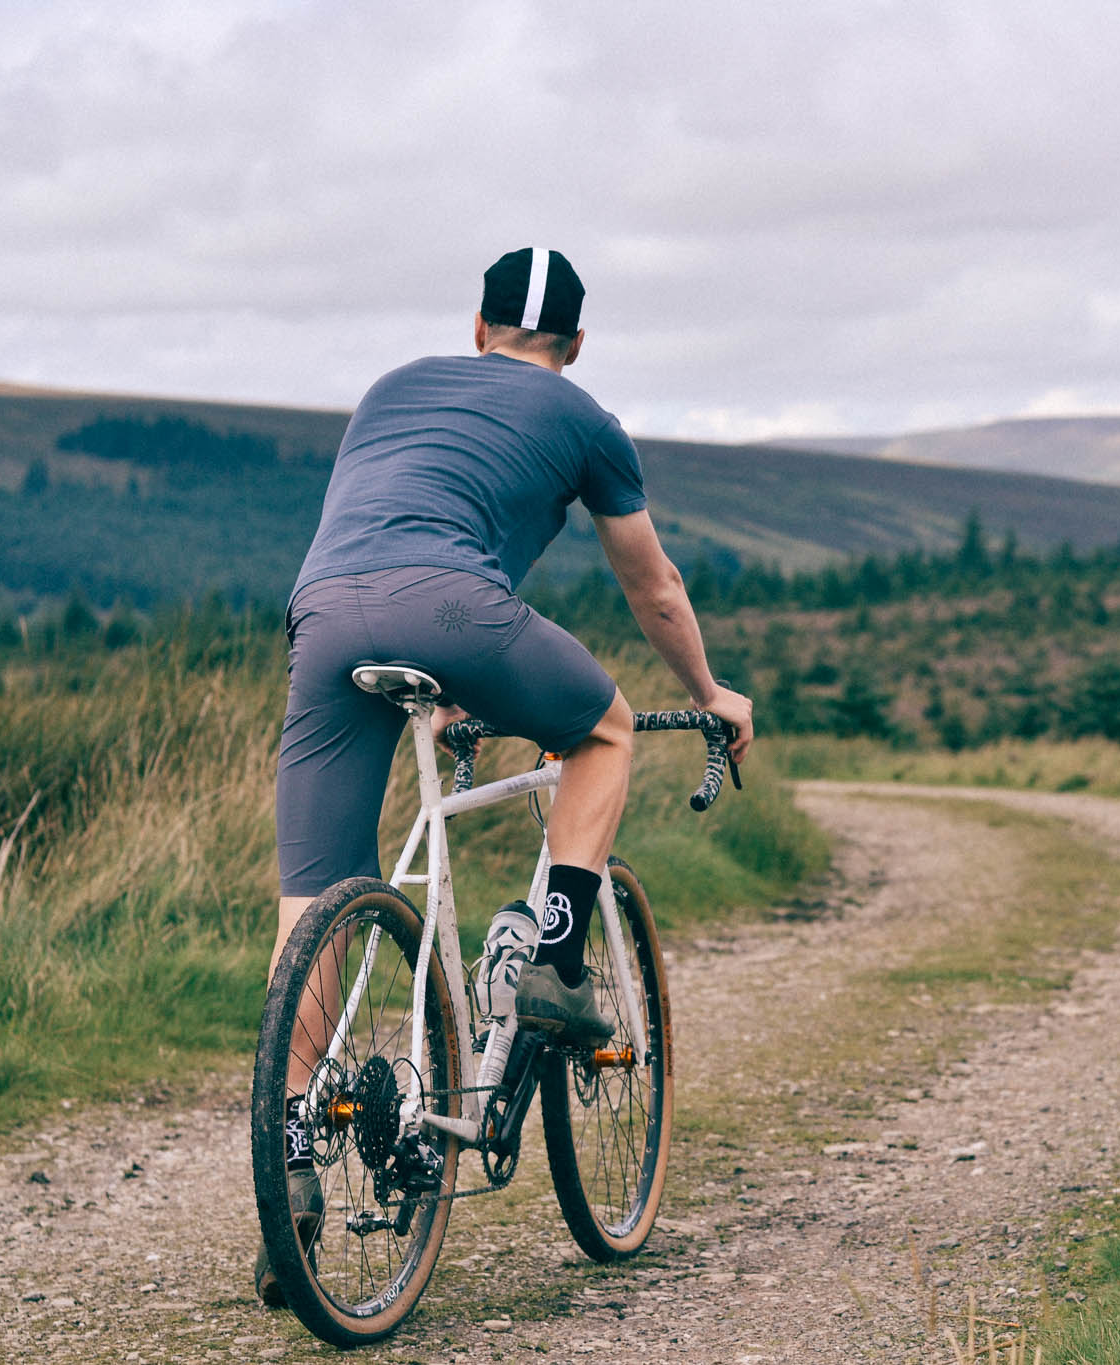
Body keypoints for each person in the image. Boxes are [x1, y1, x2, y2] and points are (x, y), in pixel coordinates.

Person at [258, 247, 753, 1304]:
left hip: (325, 616)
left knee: (314, 900)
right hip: (455, 609)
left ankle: (289, 1146)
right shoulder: (585, 422)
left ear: (477, 327)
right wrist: (709, 692)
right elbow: (652, 587)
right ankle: (556, 960)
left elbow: (400, 517)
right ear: (573, 348)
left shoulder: (393, 387)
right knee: (605, 733)